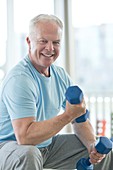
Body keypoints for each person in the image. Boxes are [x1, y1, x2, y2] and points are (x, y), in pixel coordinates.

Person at [0, 14, 112, 170]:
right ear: (29, 42)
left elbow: (80, 118)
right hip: (9, 147)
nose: (50, 48)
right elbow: (25, 137)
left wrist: (91, 145)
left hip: (47, 146)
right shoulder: (20, 79)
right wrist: (67, 115)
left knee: (101, 152)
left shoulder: (60, 75)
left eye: (56, 42)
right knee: (29, 154)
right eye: (43, 41)